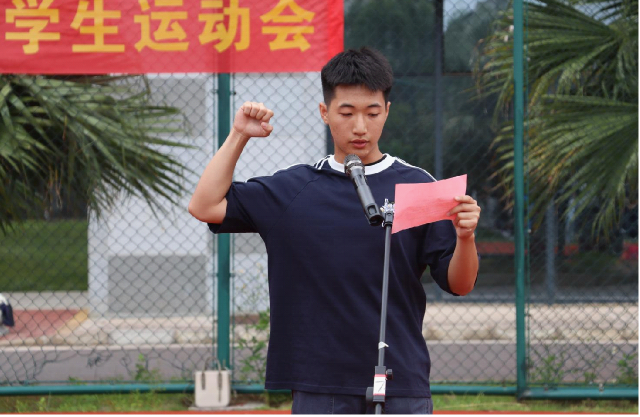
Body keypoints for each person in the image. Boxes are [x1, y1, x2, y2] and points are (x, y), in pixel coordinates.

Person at [189, 47, 480, 415]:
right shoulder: (294, 190)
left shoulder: (419, 187)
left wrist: (466, 238)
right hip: (319, 385)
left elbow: (460, 284)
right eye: (346, 112)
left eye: (372, 113)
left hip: (401, 382)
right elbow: (205, 206)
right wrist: (239, 135)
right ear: (324, 112)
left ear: (387, 111)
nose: (360, 126)